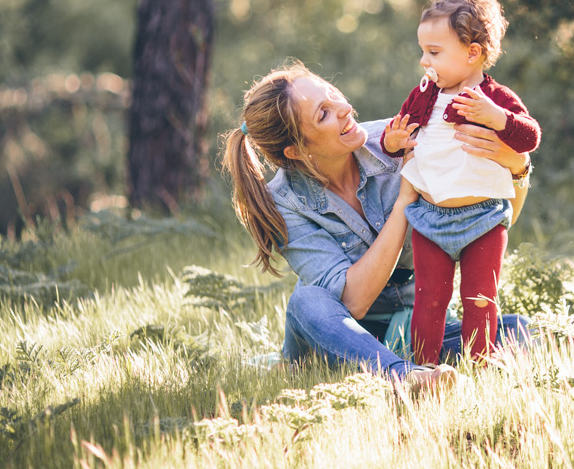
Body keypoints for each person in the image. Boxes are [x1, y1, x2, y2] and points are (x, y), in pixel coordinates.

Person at [222, 62, 533, 392]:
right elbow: (354, 302)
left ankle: (417, 369)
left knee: (524, 330)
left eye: (333, 94)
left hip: (415, 327)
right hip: (338, 337)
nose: (344, 108)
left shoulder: (400, 139)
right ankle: (406, 377)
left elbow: (492, 220)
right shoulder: (284, 202)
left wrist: (518, 166)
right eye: (323, 114)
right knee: (307, 301)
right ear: (297, 150)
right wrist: (404, 202)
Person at [381, 0, 540, 366]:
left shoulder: (493, 97)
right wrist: (393, 141)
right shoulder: (423, 95)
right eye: (423, 51)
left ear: (472, 53)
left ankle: (479, 366)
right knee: (429, 299)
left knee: (480, 299)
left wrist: (497, 118)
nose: (424, 61)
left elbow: (529, 137)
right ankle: (424, 369)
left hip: (483, 217)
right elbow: (395, 138)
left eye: (434, 52)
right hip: (429, 217)